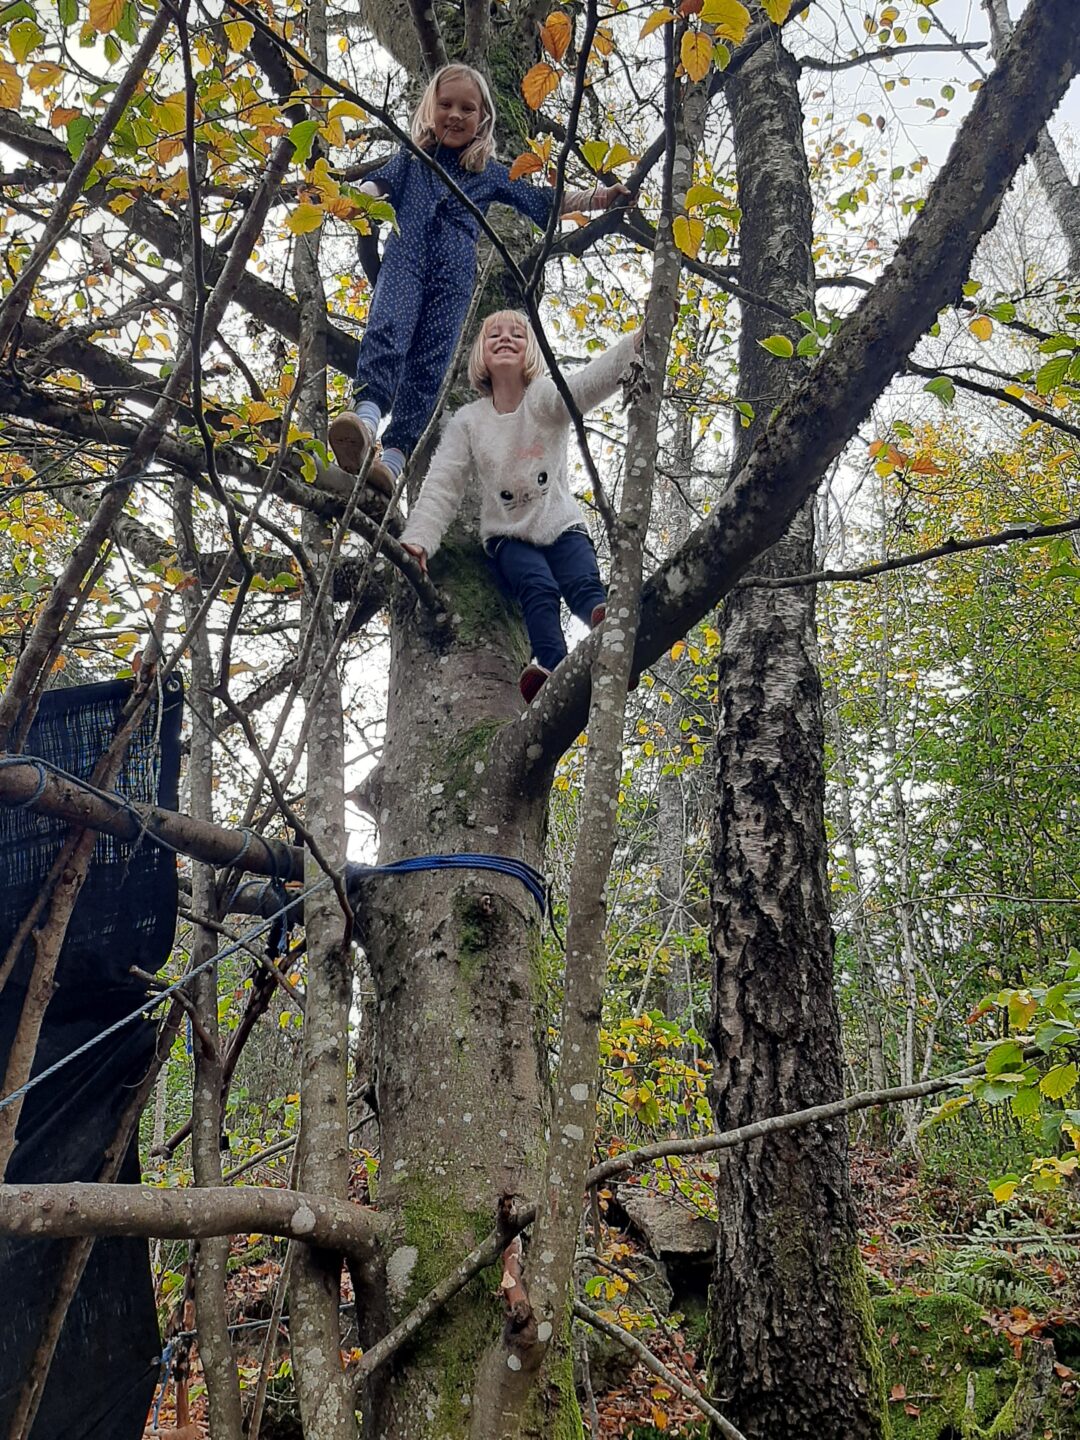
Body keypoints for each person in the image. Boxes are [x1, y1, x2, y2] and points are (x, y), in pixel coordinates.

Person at [328, 63, 629, 494]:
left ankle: (392, 462)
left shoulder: (488, 173)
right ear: (429, 109)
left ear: (482, 120)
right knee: (389, 328)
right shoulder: (413, 160)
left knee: (431, 363)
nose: (454, 114)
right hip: (406, 258)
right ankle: (366, 420)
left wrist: (600, 197)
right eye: (445, 105)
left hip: (453, 281)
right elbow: (379, 185)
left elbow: (541, 199)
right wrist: (353, 201)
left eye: (467, 108)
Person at [399, 310, 640, 703]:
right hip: (509, 537)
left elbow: (583, 388)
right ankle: (553, 666)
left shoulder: (542, 397)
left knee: (582, 583)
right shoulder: (469, 422)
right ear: (480, 354)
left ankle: (611, 636)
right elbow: (443, 482)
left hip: (560, 523)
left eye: (517, 334)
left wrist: (633, 347)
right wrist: (419, 540)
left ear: (532, 350)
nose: (506, 338)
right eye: (494, 334)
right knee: (537, 587)